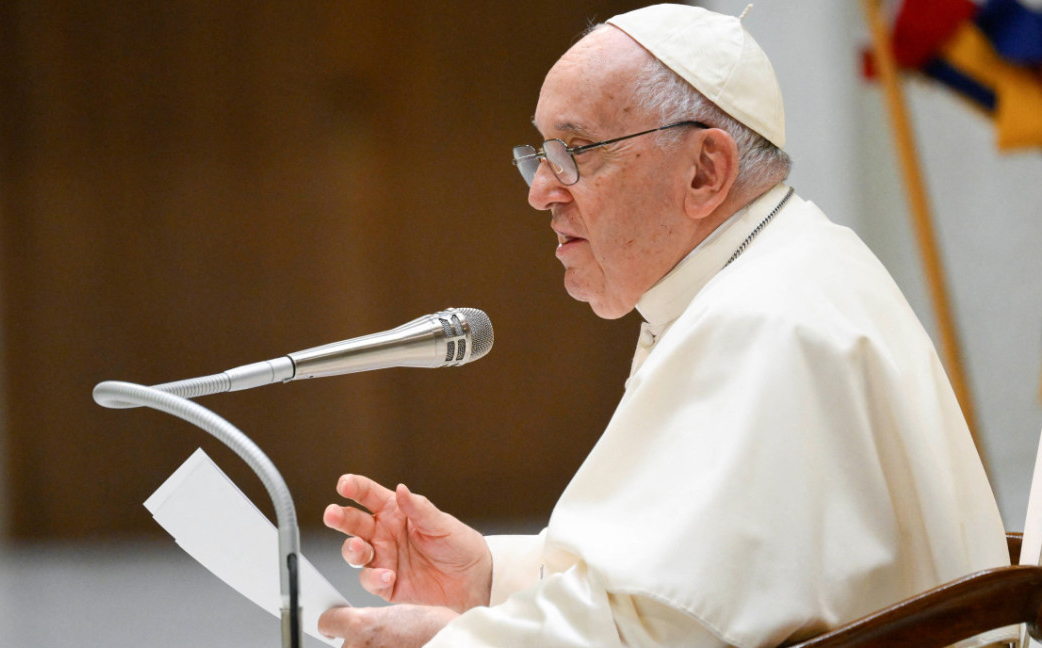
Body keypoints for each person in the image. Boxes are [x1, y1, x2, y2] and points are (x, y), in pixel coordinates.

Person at [318, 4, 1011, 647]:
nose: (540, 190)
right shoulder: (775, 273)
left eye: (576, 150)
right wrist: (490, 577)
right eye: (539, 153)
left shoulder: (765, 322)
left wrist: (446, 639)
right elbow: (693, 584)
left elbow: (660, 630)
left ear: (706, 171)